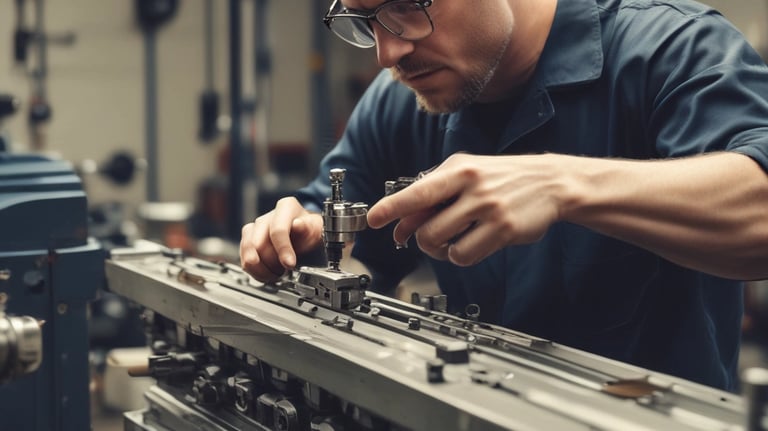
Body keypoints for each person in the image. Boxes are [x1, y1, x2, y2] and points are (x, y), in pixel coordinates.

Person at [240, 0, 768, 391]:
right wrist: (296, 234)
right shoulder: (404, 98)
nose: (387, 53)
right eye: (364, 20)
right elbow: (345, 236)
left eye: (405, 6)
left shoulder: (672, 49)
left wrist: (563, 185)